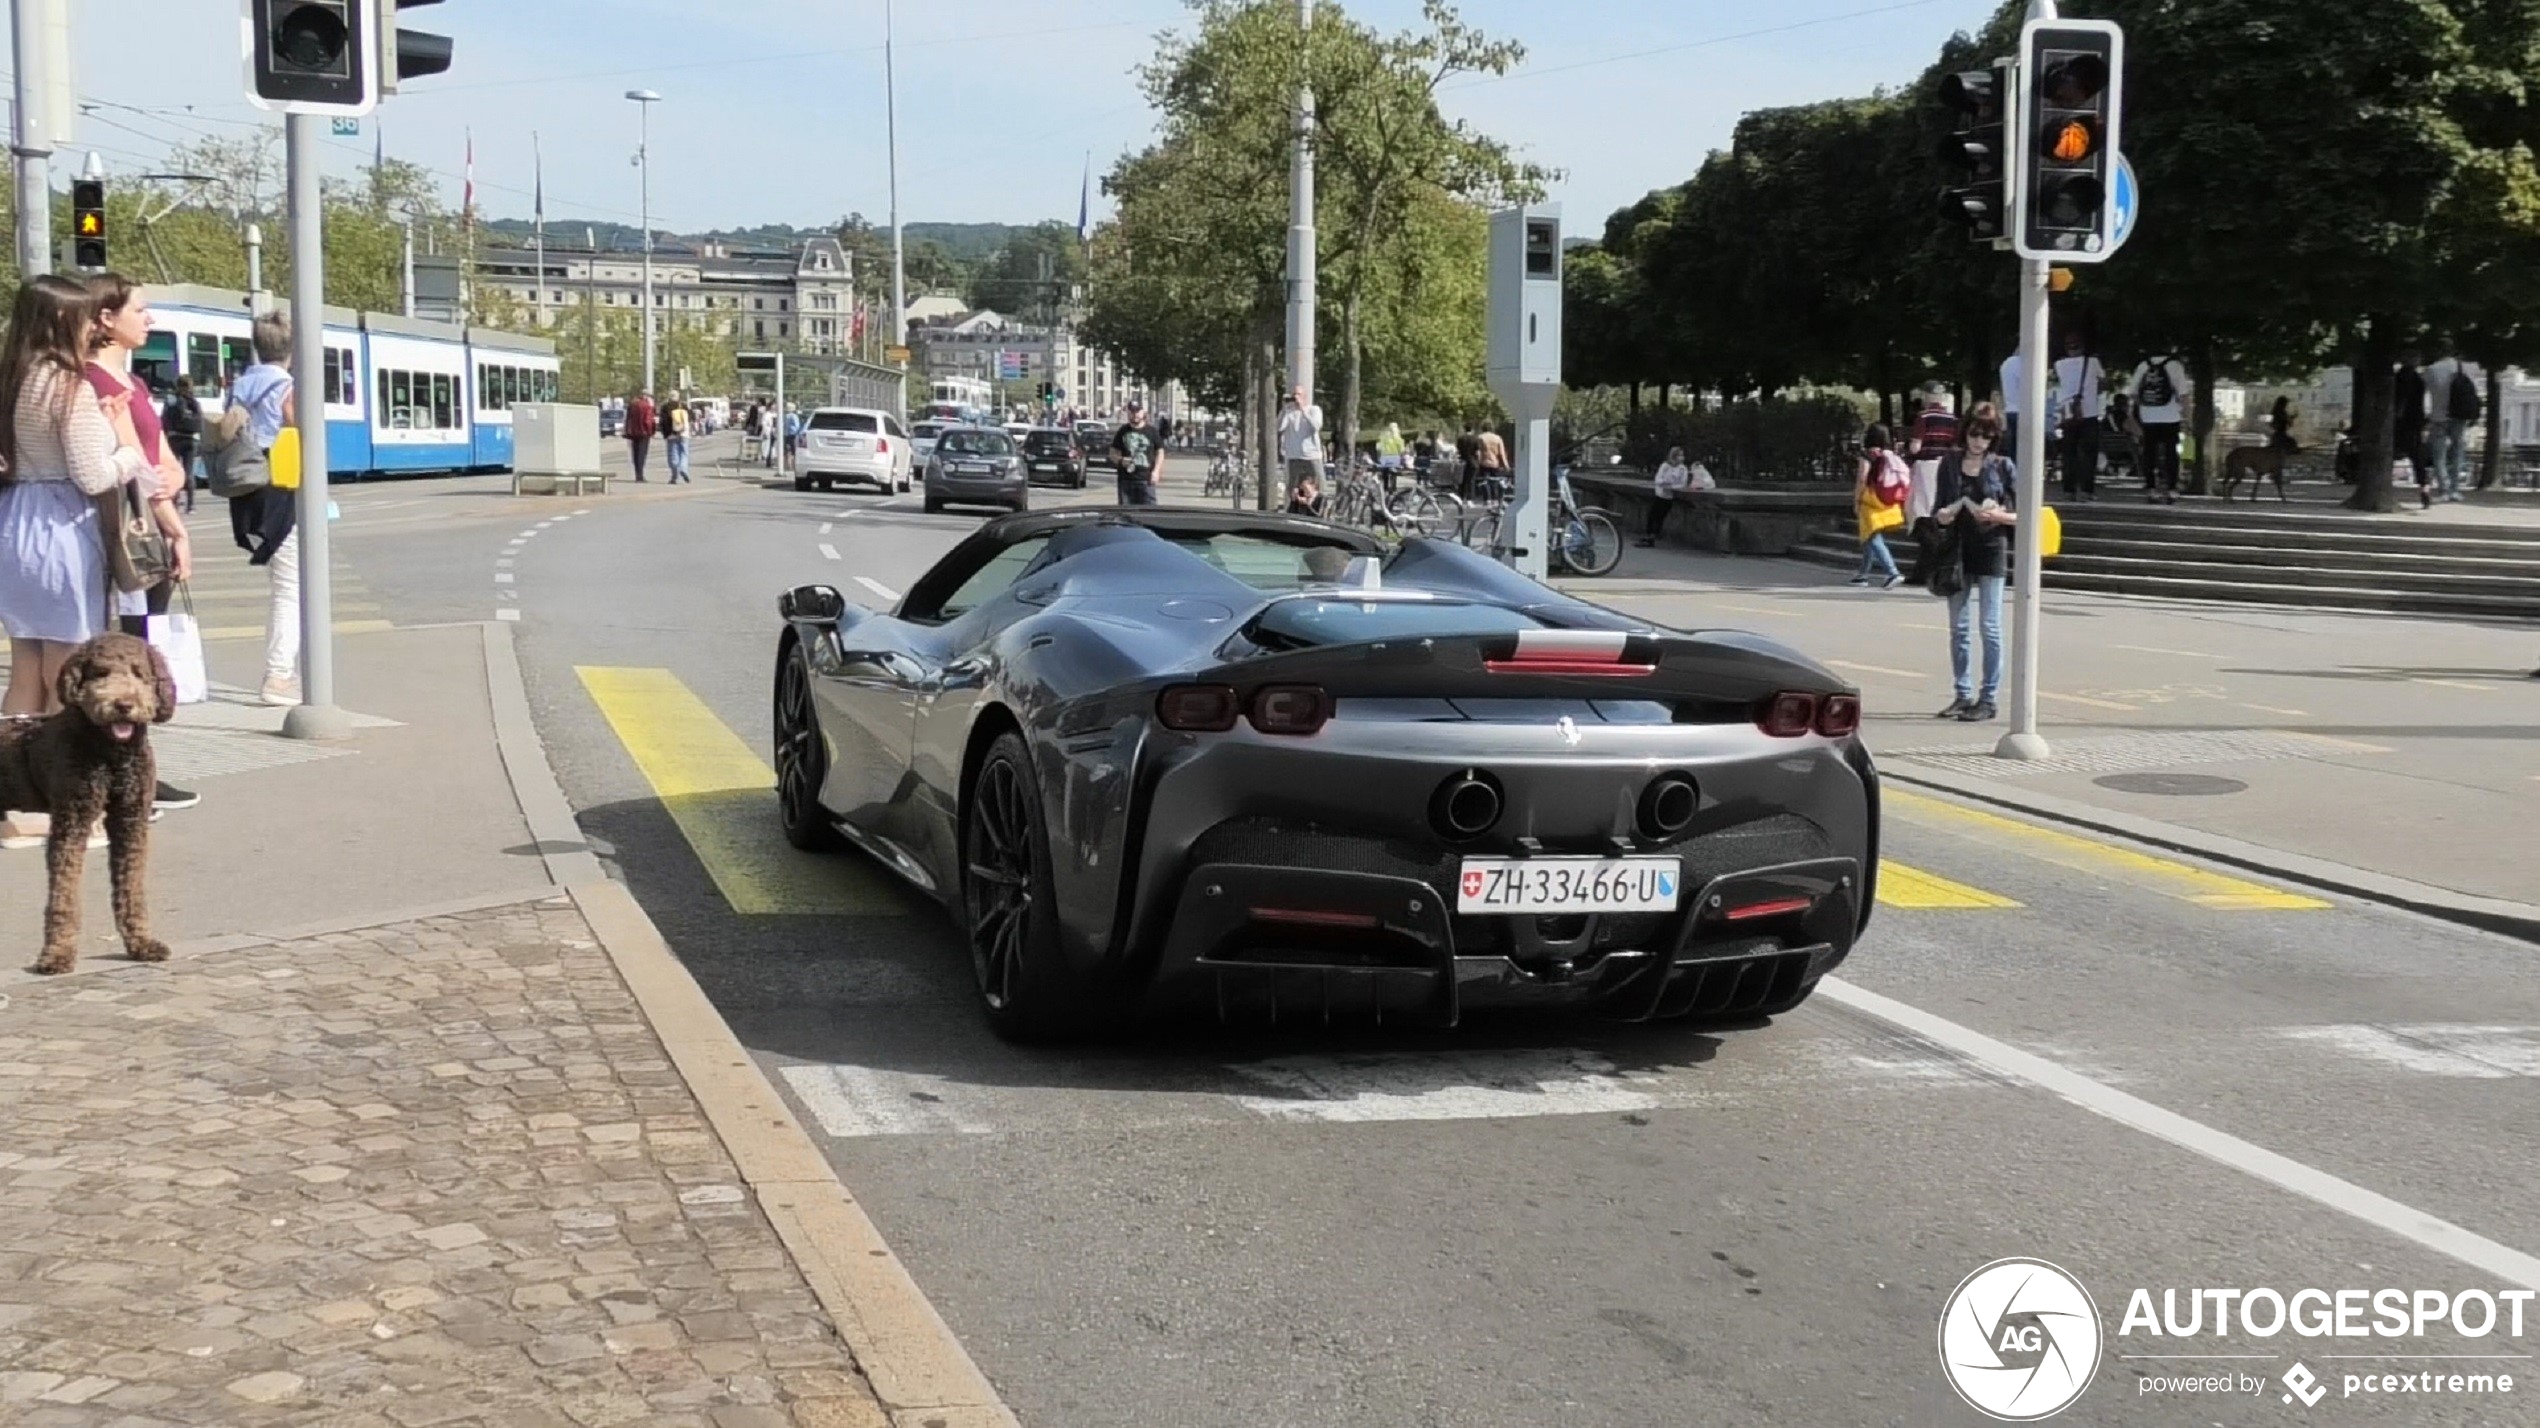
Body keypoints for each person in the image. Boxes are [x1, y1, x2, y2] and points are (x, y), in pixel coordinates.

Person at [0, 276, 156, 847]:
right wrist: (125, 450)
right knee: (67, 671)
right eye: (85, 317)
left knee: (26, 667)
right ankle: (62, 804)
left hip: (15, 522)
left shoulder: (13, 378)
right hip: (63, 528)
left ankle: (11, 793)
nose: (94, 325)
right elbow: (93, 473)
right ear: (62, 321)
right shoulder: (69, 387)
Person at [85, 275, 198, 812]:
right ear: (107, 319)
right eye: (141, 310)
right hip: (129, 535)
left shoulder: (133, 384)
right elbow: (133, 474)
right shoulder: (96, 385)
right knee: (125, 659)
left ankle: (140, 773)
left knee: (142, 653)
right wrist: (174, 525)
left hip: (147, 529)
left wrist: (173, 474)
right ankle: (122, 782)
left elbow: (158, 459)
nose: (148, 320)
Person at [224, 312, 302, 707]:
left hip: (246, 489)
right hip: (280, 486)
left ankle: (283, 672)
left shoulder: (241, 385)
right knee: (290, 588)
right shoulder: (287, 386)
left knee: (281, 581)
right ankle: (279, 676)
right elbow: (296, 428)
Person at [1932, 404, 2019, 723]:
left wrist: (1998, 516)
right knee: (1959, 627)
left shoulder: (2002, 466)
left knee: (1990, 626)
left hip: (1991, 547)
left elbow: (2023, 514)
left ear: (1994, 437)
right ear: (1965, 430)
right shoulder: (1950, 463)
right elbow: (1939, 508)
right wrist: (1943, 516)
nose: (1978, 441)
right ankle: (1962, 693)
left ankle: (1988, 697)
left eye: (1986, 435)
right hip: (1957, 550)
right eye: (1974, 433)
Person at [1851, 425, 1907, 590]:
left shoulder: (1867, 455)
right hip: (1887, 500)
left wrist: (1856, 499)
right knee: (1870, 535)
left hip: (1871, 500)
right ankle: (1863, 574)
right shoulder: (1889, 455)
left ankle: (1892, 572)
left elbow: (1862, 478)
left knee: (1872, 537)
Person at [2131, 350, 2188, 504]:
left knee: (2149, 453)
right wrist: (2185, 415)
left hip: (2148, 417)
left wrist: (2142, 410)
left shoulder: (2143, 365)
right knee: (2171, 453)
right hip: (2171, 416)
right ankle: (2171, 489)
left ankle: (2151, 489)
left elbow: (2134, 393)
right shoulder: (2175, 366)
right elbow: (2183, 394)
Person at [2053, 332, 2104, 500]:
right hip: (2089, 412)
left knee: (2069, 453)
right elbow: (2102, 381)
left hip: (2068, 413)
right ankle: (2087, 490)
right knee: (2089, 453)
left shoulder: (2059, 365)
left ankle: (2069, 489)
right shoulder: (2093, 362)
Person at [2421, 346, 2472, 503]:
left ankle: (2444, 489)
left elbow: (2424, 393)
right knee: (2457, 452)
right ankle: (2455, 490)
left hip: (2438, 416)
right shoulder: (2463, 368)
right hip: (2459, 415)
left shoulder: (2430, 370)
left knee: (2439, 455)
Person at [162, 375, 205, 514]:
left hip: (174, 438)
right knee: (189, 471)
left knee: (174, 471)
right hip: (191, 439)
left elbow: (165, 419)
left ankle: (175, 501)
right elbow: (201, 421)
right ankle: (191, 505)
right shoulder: (194, 401)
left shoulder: (171, 400)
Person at [1640, 445, 1696, 547]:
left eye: (1682, 455)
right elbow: (1658, 480)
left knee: (1661, 516)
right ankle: (1649, 535)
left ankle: (1654, 535)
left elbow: (1682, 483)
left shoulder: (1682, 469)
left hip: (1669, 496)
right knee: (1652, 516)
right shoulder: (1665, 466)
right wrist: (1664, 483)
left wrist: (1672, 486)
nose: (1681, 458)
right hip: (1660, 494)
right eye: (1679, 455)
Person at [1111, 402, 1162, 506]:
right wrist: (1120, 460)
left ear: (1143, 412)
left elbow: (1160, 452)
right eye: (1132, 412)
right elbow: (1112, 453)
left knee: (1150, 513)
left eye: (1137, 411)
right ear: (1128, 413)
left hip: (1146, 480)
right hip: (1126, 480)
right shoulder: (1123, 431)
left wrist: (1156, 471)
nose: (1135, 414)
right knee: (1126, 515)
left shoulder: (1152, 431)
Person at [1277, 386, 1323, 499]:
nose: (1295, 397)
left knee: (1318, 485)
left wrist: (1303, 410)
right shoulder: (1290, 412)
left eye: (1298, 394)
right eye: (1294, 395)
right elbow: (1279, 427)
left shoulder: (1314, 410)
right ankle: (1295, 508)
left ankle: (1319, 509)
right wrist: (1284, 410)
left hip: (1311, 455)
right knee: (1293, 487)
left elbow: (1316, 426)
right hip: (1294, 455)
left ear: (1304, 396)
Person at [660, 391, 693, 484]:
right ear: (678, 397)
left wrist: (666, 433)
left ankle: (674, 474)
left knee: (672, 455)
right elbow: (691, 417)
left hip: (671, 435)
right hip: (684, 433)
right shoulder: (683, 405)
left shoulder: (665, 407)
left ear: (669, 397)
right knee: (684, 453)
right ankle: (683, 469)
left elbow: (663, 422)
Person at [624, 389, 657, 481]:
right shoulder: (647, 406)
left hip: (633, 432)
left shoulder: (632, 404)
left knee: (635, 453)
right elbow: (648, 420)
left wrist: (627, 430)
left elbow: (628, 418)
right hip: (644, 432)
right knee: (642, 453)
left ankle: (637, 473)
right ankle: (640, 475)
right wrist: (652, 431)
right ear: (646, 396)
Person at [1375, 422, 1407, 492]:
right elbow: (1401, 449)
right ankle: (1393, 488)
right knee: (1393, 473)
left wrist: (1379, 456)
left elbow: (1378, 448)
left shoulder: (1383, 436)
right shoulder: (1398, 437)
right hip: (1394, 457)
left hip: (1385, 457)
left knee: (1385, 472)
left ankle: (1386, 487)